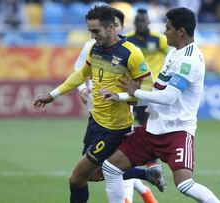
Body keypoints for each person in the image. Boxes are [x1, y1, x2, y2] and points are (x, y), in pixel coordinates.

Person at [33, 5, 164, 203]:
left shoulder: (131, 53)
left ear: (111, 28)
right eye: (90, 31)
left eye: (96, 31)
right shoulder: (95, 49)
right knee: (93, 175)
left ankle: (145, 175)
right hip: (95, 121)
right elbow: (82, 74)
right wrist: (53, 95)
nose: (93, 36)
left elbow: (148, 87)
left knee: (76, 179)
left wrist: (121, 95)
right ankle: (147, 175)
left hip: (114, 129)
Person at [100, 7, 220, 203]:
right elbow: (157, 92)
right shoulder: (174, 53)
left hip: (177, 131)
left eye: (168, 28)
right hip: (153, 129)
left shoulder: (189, 60)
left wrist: (135, 92)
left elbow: (168, 98)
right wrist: (121, 97)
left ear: (181, 31)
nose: (165, 32)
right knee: (110, 167)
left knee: (184, 185)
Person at [73, 7, 158, 203]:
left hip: (116, 119)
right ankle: (147, 178)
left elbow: (142, 84)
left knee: (99, 170)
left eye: (119, 26)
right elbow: (79, 72)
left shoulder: (126, 51)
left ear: (115, 27)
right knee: (97, 172)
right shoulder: (91, 46)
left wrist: (126, 96)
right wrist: (82, 89)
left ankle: (140, 188)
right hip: (95, 114)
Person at [126, 8, 169, 125]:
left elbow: (171, 57)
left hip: (153, 86)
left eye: (143, 21)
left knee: (149, 120)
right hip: (135, 85)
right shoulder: (127, 40)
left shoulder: (159, 39)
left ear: (148, 22)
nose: (140, 24)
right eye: (138, 21)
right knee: (131, 120)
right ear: (134, 23)